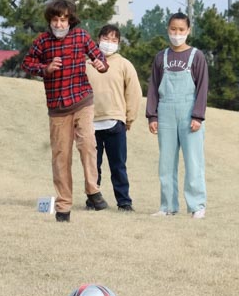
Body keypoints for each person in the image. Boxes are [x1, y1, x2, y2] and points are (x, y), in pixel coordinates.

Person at [22, 0, 109, 222]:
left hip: (82, 100)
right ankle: (63, 207)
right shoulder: (42, 42)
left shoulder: (80, 36)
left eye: (63, 20)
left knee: (88, 143)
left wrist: (101, 65)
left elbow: (98, 57)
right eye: (55, 20)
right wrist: (46, 68)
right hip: (58, 108)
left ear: (70, 20)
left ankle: (92, 189)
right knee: (61, 157)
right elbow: (27, 64)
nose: (59, 24)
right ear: (50, 21)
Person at [147, 12, 209, 219]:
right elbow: (153, 87)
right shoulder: (161, 57)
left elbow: (202, 87)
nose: (177, 34)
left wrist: (198, 116)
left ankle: (197, 205)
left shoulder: (196, 56)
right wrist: (152, 116)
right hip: (165, 111)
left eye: (181, 30)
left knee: (193, 161)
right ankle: (168, 206)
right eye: (173, 29)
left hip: (189, 110)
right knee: (166, 162)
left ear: (188, 31)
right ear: (167, 29)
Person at [84, 24, 143, 211]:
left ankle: (124, 202)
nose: (109, 43)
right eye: (106, 39)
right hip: (90, 122)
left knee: (118, 165)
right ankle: (92, 200)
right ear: (98, 39)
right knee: (93, 166)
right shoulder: (86, 63)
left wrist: (129, 118)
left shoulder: (124, 64)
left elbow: (134, 93)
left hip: (115, 121)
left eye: (114, 40)